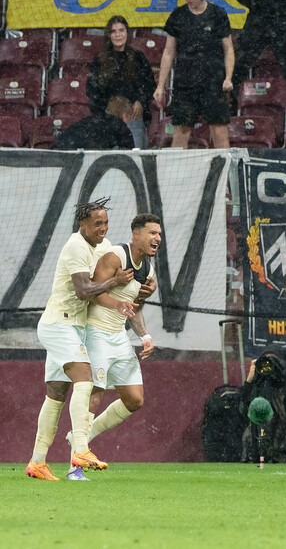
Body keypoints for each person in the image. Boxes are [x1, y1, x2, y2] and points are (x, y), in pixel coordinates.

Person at [25, 198, 135, 481]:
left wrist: (140, 285)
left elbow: (115, 272)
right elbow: (84, 290)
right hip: (58, 324)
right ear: (82, 224)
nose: (103, 228)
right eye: (97, 223)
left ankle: (37, 462)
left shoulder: (104, 245)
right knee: (85, 378)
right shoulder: (75, 246)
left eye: (106, 223)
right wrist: (115, 281)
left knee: (55, 394)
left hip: (74, 326)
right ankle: (82, 448)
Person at [68, 214, 161, 480]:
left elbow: (133, 308)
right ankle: (75, 467)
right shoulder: (115, 256)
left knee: (135, 399)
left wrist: (145, 336)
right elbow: (93, 293)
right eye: (152, 233)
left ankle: (80, 437)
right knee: (94, 395)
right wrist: (118, 304)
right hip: (96, 332)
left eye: (159, 234)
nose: (157, 238)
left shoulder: (148, 270)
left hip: (119, 336)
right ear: (136, 234)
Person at [154, 0, 234, 149]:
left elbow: (228, 49)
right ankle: (176, 165)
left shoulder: (218, 14)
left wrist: (228, 77)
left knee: (219, 129)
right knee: (181, 129)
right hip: (186, 82)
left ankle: (227, 166)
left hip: (213, 81)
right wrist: (160, 85)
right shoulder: (178, 16)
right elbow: (168, 52)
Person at [86, 15, 156, 148]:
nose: (118, 35)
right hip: (108, 119)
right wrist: (109, 107)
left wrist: (140, 101)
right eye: (113, 31)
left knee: (135, 155)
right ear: (109, 35)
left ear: (127, 32)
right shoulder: (99, 60)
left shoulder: (138, 58)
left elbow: (149, 85)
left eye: (121, 30)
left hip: (133, 116)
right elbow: (92, 89)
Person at [53, 97, 136, 151]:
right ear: (125, 116)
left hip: (60, 148)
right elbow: (130, 155)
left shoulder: (92, 119)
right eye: (130, 117)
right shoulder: (121, 127)